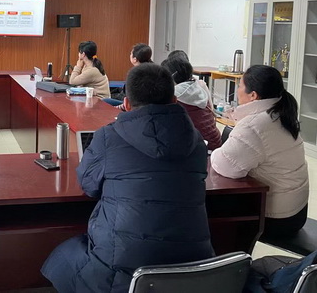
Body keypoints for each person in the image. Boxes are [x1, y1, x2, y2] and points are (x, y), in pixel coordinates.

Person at [42, 63, 214, 293]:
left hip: (123, 273)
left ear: (126, 104)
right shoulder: (197, 142)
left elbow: (88, 185)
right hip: (194, 270)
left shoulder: (108, 136)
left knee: (65, 255)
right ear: (175, 101)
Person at [211, 65, 309, 237]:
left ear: (253, 95)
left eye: (240, 86)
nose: (238, 90)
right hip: (296, 210)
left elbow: (224, 166)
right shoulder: (280, 113)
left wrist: (215, 151)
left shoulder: (255, 125)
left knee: (211, 205)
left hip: (277, 218)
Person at [161, 54, 222, 150]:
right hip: (215, 142)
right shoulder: (199, 87)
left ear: (172, 76)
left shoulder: (176, 95)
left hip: (201, 148)